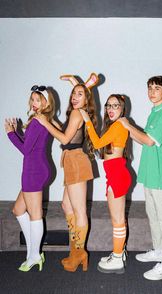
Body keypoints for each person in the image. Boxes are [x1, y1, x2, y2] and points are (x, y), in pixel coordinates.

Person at [36, 73, 98, 272]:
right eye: (73, 93)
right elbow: (66, 134)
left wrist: (45, 123)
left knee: (79, 210)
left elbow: (64, 139)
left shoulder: (77, 113)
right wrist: (50, 119)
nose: (74, 97)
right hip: (72, 161)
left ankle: (79, 254)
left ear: (86, 98)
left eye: (80, 94)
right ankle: (75, 251)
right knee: (66, 205)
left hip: (76, 161)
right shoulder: (76, 113)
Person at [119, 76, 162, 281]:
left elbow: (148, 141)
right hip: (150, 172)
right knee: (152, 214)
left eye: (157, 88)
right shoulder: (155, 112)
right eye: (150, 88)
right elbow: (144, 139)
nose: (152, 92)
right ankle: (159, 250)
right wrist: (129, 129)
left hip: (161, 174)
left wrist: (127, 125)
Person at [5, 85, 55, 271]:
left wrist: (10, 133)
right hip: (34, 169)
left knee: (35, 215)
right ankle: (32, 250)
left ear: (46, 102)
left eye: (38, 100)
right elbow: (29, 145)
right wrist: (17, 131)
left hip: (34, 171)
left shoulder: (37, 121)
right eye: (33, 99)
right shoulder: (39, 120)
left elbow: (26, 150)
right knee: (18, 209)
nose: (34, 103)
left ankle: (34, 255)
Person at [80, 94, 131, 274]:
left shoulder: (119, 125)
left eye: (115, 106)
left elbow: (98, 142)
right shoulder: (115, 126)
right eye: (108, 105)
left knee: (117, 220)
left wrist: (87, 120)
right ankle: (119, 253)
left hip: (117, 174)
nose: (110, 109)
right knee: (118, 219)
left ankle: (117, 258)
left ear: (122, 108)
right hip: (115, 173)